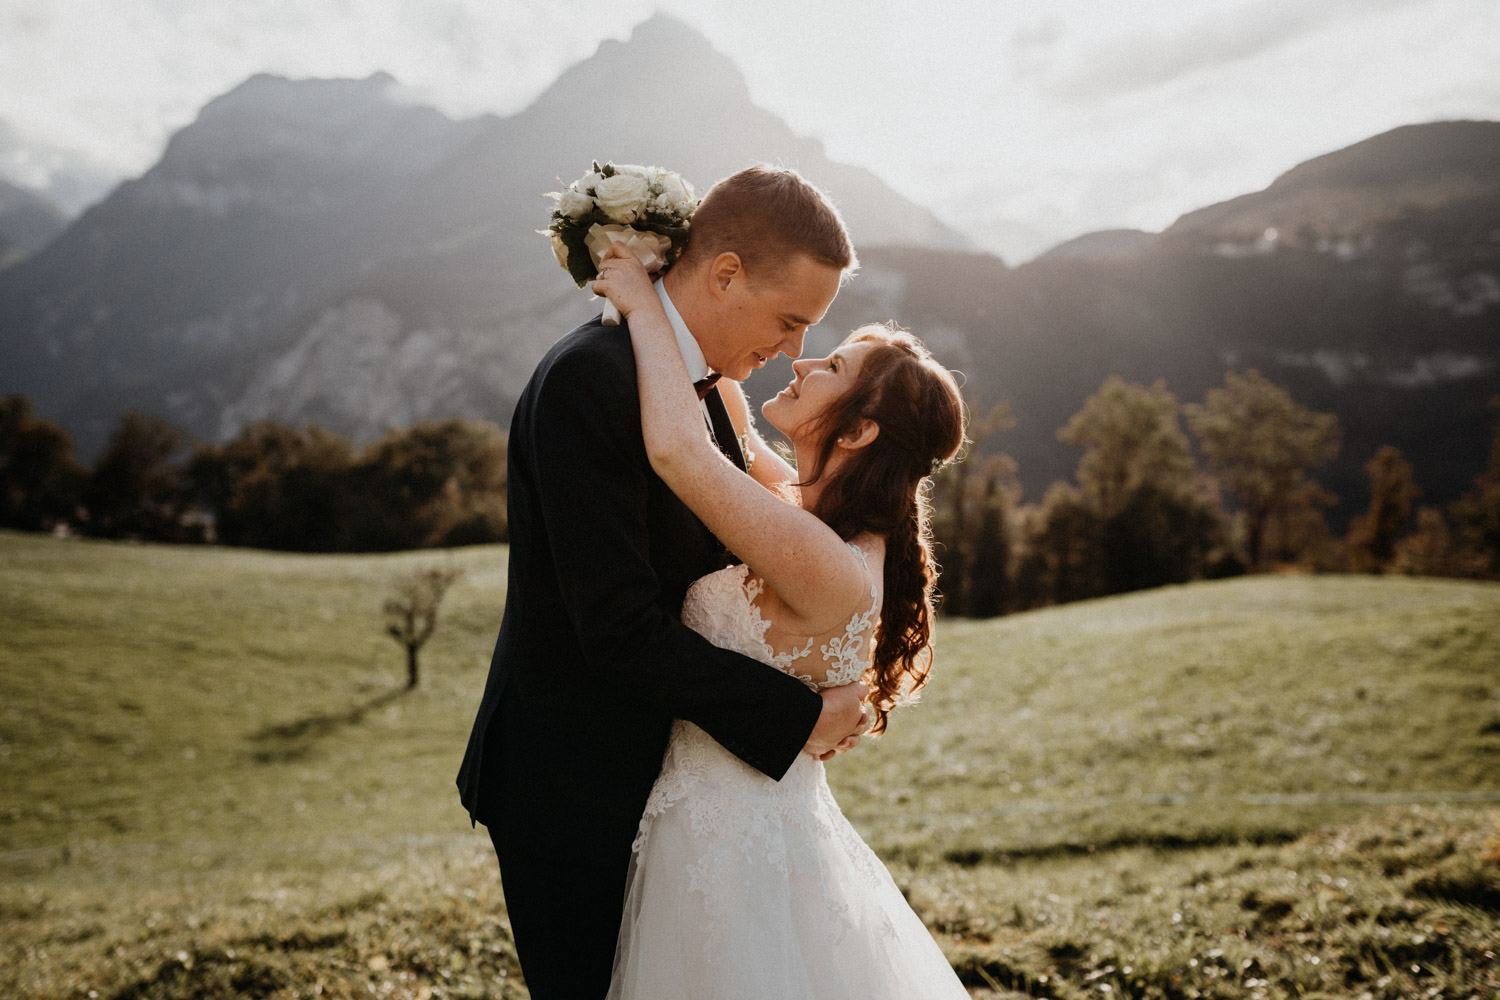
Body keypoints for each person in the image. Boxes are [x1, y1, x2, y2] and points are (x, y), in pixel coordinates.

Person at [455, 165, 871, 1000]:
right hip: (574, 785)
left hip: (662, 783)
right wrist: (798, 716)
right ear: (724, 272)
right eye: (790, 321)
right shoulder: (591, 378)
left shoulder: (705, 391)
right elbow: (616, 628)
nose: (793, 351)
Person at [590, 239, 969, 997]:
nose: (801, 362)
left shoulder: (824, 556)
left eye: (831, 369)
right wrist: (696, 306)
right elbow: (732, 417)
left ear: (859, 432)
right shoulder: (819, 513)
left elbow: (680, 451)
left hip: (727, 849)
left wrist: (637, 299)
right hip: (726, 821)